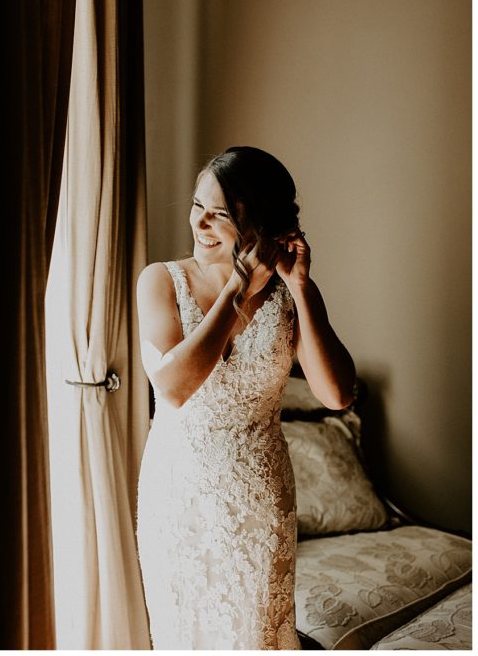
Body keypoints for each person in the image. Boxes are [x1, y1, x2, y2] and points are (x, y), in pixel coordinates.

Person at [135, 146, 355, 649]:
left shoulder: (288, 296)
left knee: (255, 634)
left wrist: (300, 287)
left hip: (260, 498)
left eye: (222, 214)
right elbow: (173, 388)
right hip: (179, 496)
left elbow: (337, 395)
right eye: (198, 207)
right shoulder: (162, 281)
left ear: (256, 221)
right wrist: (237, 289)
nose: (201, 224)